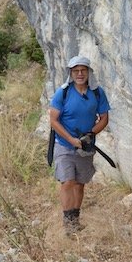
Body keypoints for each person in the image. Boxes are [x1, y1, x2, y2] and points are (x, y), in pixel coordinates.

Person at [49, 54, 111, 230]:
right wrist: (71, 140)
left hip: (85, 146)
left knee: (79, 183)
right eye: (76, 71)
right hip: (64, 144)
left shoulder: (97, 92)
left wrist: (90, 134)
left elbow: (104, 118)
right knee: (67, 181)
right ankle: (68, 223)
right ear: (71, 73)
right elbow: (53, 120)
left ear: (89, 72)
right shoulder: (63, 92)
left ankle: (75, 219)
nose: (80, 74)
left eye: (83, 70)